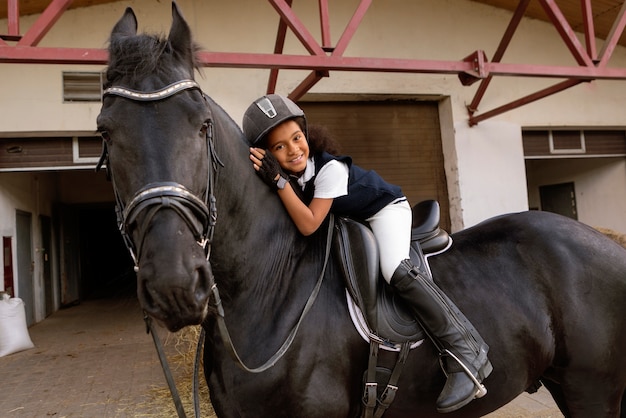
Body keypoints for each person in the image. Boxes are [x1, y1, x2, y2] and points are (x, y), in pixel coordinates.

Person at [243, 94, 493, 413]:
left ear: (306, 135)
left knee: (394, 269)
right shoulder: (293, 176)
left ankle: (466, 351)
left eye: (297, 138)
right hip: (356, 220)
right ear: (269, 153)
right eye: (280, 147)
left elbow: (308, 224)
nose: (293, 149)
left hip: (385, 210)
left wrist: (277, 180)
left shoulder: (328, 169)